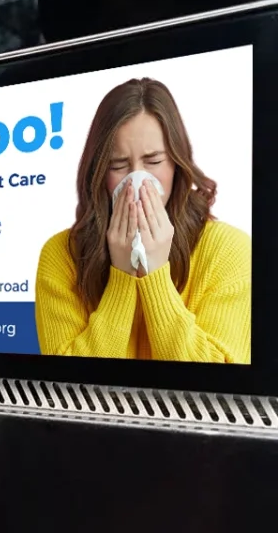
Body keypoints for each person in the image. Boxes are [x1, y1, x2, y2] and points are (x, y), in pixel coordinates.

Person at [34, 77, 250, 362]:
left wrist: (156, 275)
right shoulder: (61, 255)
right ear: (97, 173)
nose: (136, 182)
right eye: (118, 165)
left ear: (177, 163)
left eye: (154, 162)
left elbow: (219, 391)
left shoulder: (229, 250)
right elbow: (65, 389)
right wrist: (122, 279)